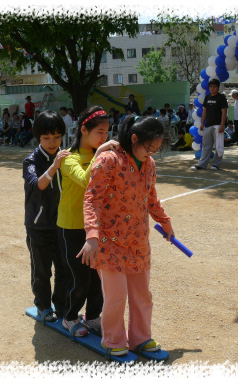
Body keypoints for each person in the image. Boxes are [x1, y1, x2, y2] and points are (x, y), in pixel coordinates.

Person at [79, 115, 174, 356]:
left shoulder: (149, 164)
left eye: (156, 148)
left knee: (143, 295)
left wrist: (165, 222)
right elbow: (92, 200)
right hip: (110, 243)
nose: (151, 153)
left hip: (138, 242)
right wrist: (91, 235)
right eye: (149, 147)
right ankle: (113, 340)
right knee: (116, 297)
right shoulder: (109, 160)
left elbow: (151, 198)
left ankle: (140, 338)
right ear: (134, 139)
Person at [57, 106, 119, 337]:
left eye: (106, 132)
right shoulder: (68, 158)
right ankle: (70, 317)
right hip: (71, 226)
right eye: (100, 132)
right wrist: (101, 151)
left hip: (95, 226)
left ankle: (92, 316)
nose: (105, 137)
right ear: (84, 130)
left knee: (96, 277)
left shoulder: (100, 157)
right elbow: (86, 180)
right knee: (79, 277)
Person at [23, 110, 70, 322]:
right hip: (38, 226)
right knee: (42, 271)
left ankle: (61, 306)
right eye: (46, 137)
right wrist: (54, 166)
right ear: (38, 137)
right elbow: (37, 185)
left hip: (63, 224)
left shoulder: (67, 157)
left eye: (57, 137)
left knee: (64, 269)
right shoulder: (31, 161)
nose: (52, 142)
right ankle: (43, 305)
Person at [192, 78, 228, 171]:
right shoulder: (207, 97)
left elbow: (224, 112)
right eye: (211, 86)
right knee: (206, 145)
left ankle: (216, 164)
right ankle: (202, 164)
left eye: (214, 86)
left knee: (219, 146)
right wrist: (202, 123)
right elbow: (205, 111)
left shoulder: (221, 97)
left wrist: (222, 125)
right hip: (208, 125)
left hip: (217, 125)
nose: (212, 88)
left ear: (218, 87)